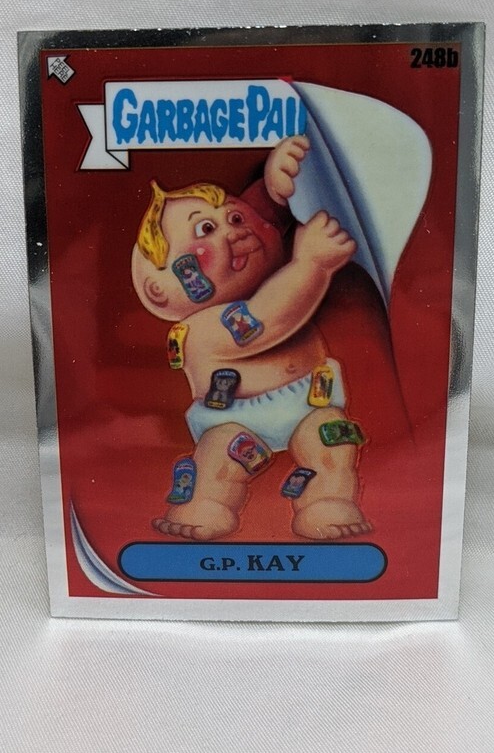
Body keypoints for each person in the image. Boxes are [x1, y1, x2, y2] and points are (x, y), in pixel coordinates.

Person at [130, 136, 370, 541]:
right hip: (233, 420)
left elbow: (265, 220)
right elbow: (266, 320)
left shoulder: (271, 276)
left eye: (237, 219)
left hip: (311, 402)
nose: (234, 230)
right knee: (219, 463)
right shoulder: (199, 330)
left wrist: (275, 186)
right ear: (160, 290)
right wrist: (312, 264)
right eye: (206, 229)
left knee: (332, 447)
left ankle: (328, 503)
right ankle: (205, 507)